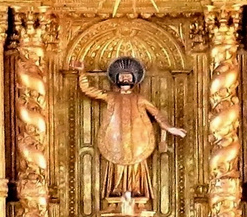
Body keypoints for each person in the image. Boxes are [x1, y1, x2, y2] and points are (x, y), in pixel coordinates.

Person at [69, 56, 184, 200]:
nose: (125, 80)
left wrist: (169, 127)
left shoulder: (139, 99)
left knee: (135, 165)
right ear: (117, 78)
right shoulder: (111, 97)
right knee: (117, 164)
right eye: (122, 77)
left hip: (137, 143)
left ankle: (134, 191)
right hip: (116, 141)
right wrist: (82, 73)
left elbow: (157, 114)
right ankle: (117, 191)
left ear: (133, 79)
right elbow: (88, 90)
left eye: (128, 77)